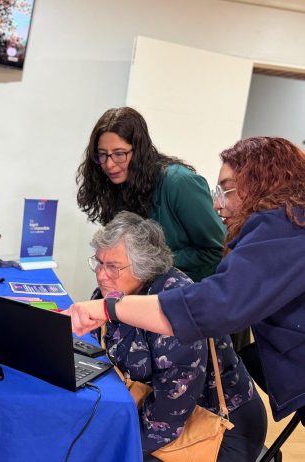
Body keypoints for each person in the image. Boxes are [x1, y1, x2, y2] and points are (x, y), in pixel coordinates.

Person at [66, 137, 305, 424]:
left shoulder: (284, 226)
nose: (217, 204)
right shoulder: (290, 226)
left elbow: (217, 305)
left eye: (226, 190)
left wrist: (109, 308)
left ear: (262, 183)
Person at [86, 211, 266, 461]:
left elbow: (167, 418)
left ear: (144, 267)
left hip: (216, 429)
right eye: (98, 262)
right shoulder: (112, 294)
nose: (100, 274)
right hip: (149, 410)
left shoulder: (175, 309)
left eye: (113, 267)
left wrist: (110, 443)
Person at [76, 107, 226, 282]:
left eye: (119, 154)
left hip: (187, 291)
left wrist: (150, 262)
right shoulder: (116, 183)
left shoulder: (178, 182)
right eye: (102, 155)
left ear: (139, 151)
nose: (109, 164)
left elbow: (217, 249)